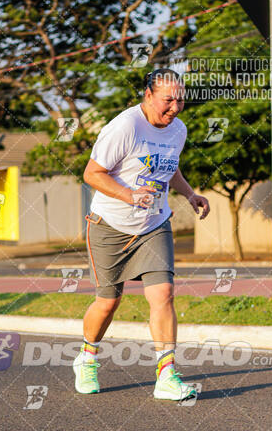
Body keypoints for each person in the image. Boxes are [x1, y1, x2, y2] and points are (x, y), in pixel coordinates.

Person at [73, 68, 210, 400]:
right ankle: (87, 357)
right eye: (168, 100)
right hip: (110, 226)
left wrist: (190, 194)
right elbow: (92, 173)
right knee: (108, 301)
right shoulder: (125, 126)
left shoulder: (178, 129)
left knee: (163, 295)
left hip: (153, 224)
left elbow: (170, 165)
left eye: (180, 100)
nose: (175, 107)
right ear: (148, 95)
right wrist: (129, 195)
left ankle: (166, 375)